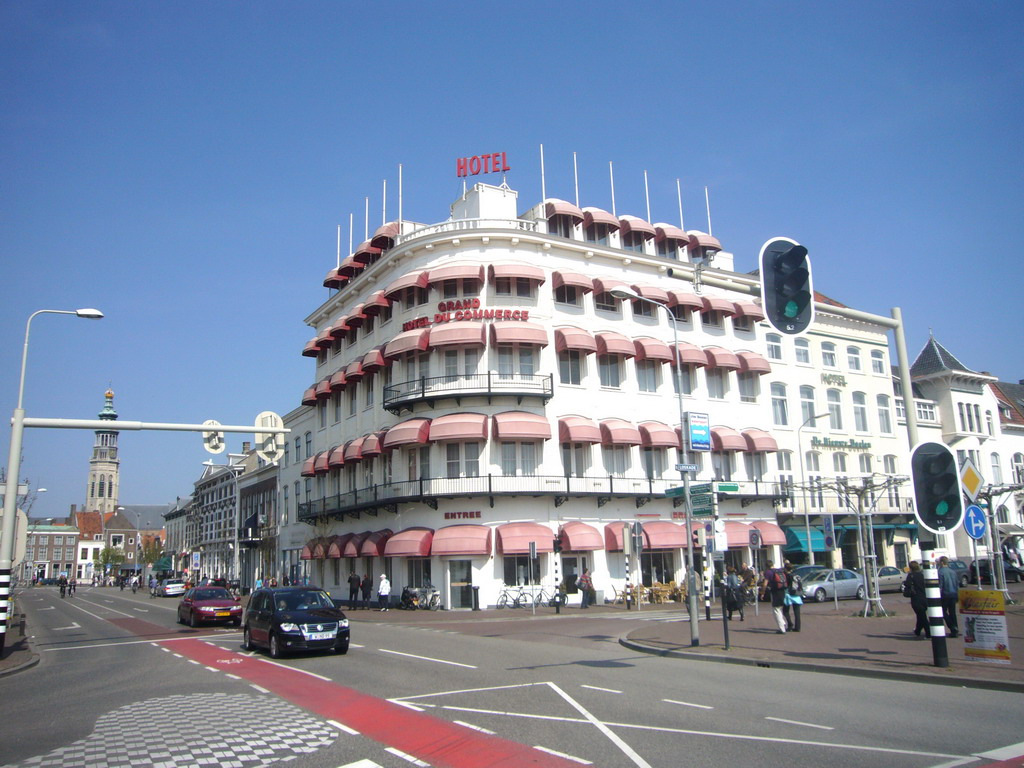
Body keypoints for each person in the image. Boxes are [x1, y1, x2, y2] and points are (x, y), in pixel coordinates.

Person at [760, 560, 788, 634]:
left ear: (766, 566)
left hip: (775, 592)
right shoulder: (779, 570)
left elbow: (765, 583)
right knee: (780, 608)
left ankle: (782, 629)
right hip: (782, 591)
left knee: (776, 610)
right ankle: (783, 623)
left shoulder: (768, 572)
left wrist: (762, 592)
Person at [903, 561, 928, 638]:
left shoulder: (911, 576)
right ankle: (917, 630)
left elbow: (907, 584)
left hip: (916, 599)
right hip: (925, 598)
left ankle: (929, 632)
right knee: (920, 615)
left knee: (922, 617)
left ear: (910, 568)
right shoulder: (922, 575)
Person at [937, 556, 959, 638]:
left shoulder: (940, 572)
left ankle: (952, 627)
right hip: (953, 594)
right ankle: (955, 629)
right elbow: (957, 584)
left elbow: (940, 585)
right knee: (952, 612)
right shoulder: (952, 571)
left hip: (945, 594)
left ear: (942, 562)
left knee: (943, 611)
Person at [782, 561, 802, 632]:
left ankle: (790, 624)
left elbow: (785, 585)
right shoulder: (796, 575)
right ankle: (798, 627)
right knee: (797, 612)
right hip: (797, 595)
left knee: (785, 611)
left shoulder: (786, 575)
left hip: (788, 595)